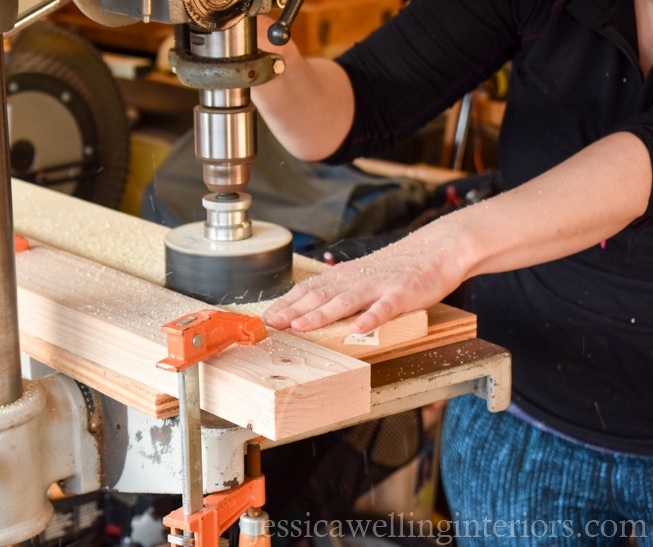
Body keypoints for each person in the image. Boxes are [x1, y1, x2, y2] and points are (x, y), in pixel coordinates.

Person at [251, 1, 653, 545]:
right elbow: (349, 110)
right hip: (519, 414)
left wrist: (442, 248)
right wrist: (251, 41)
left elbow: (640, 164)